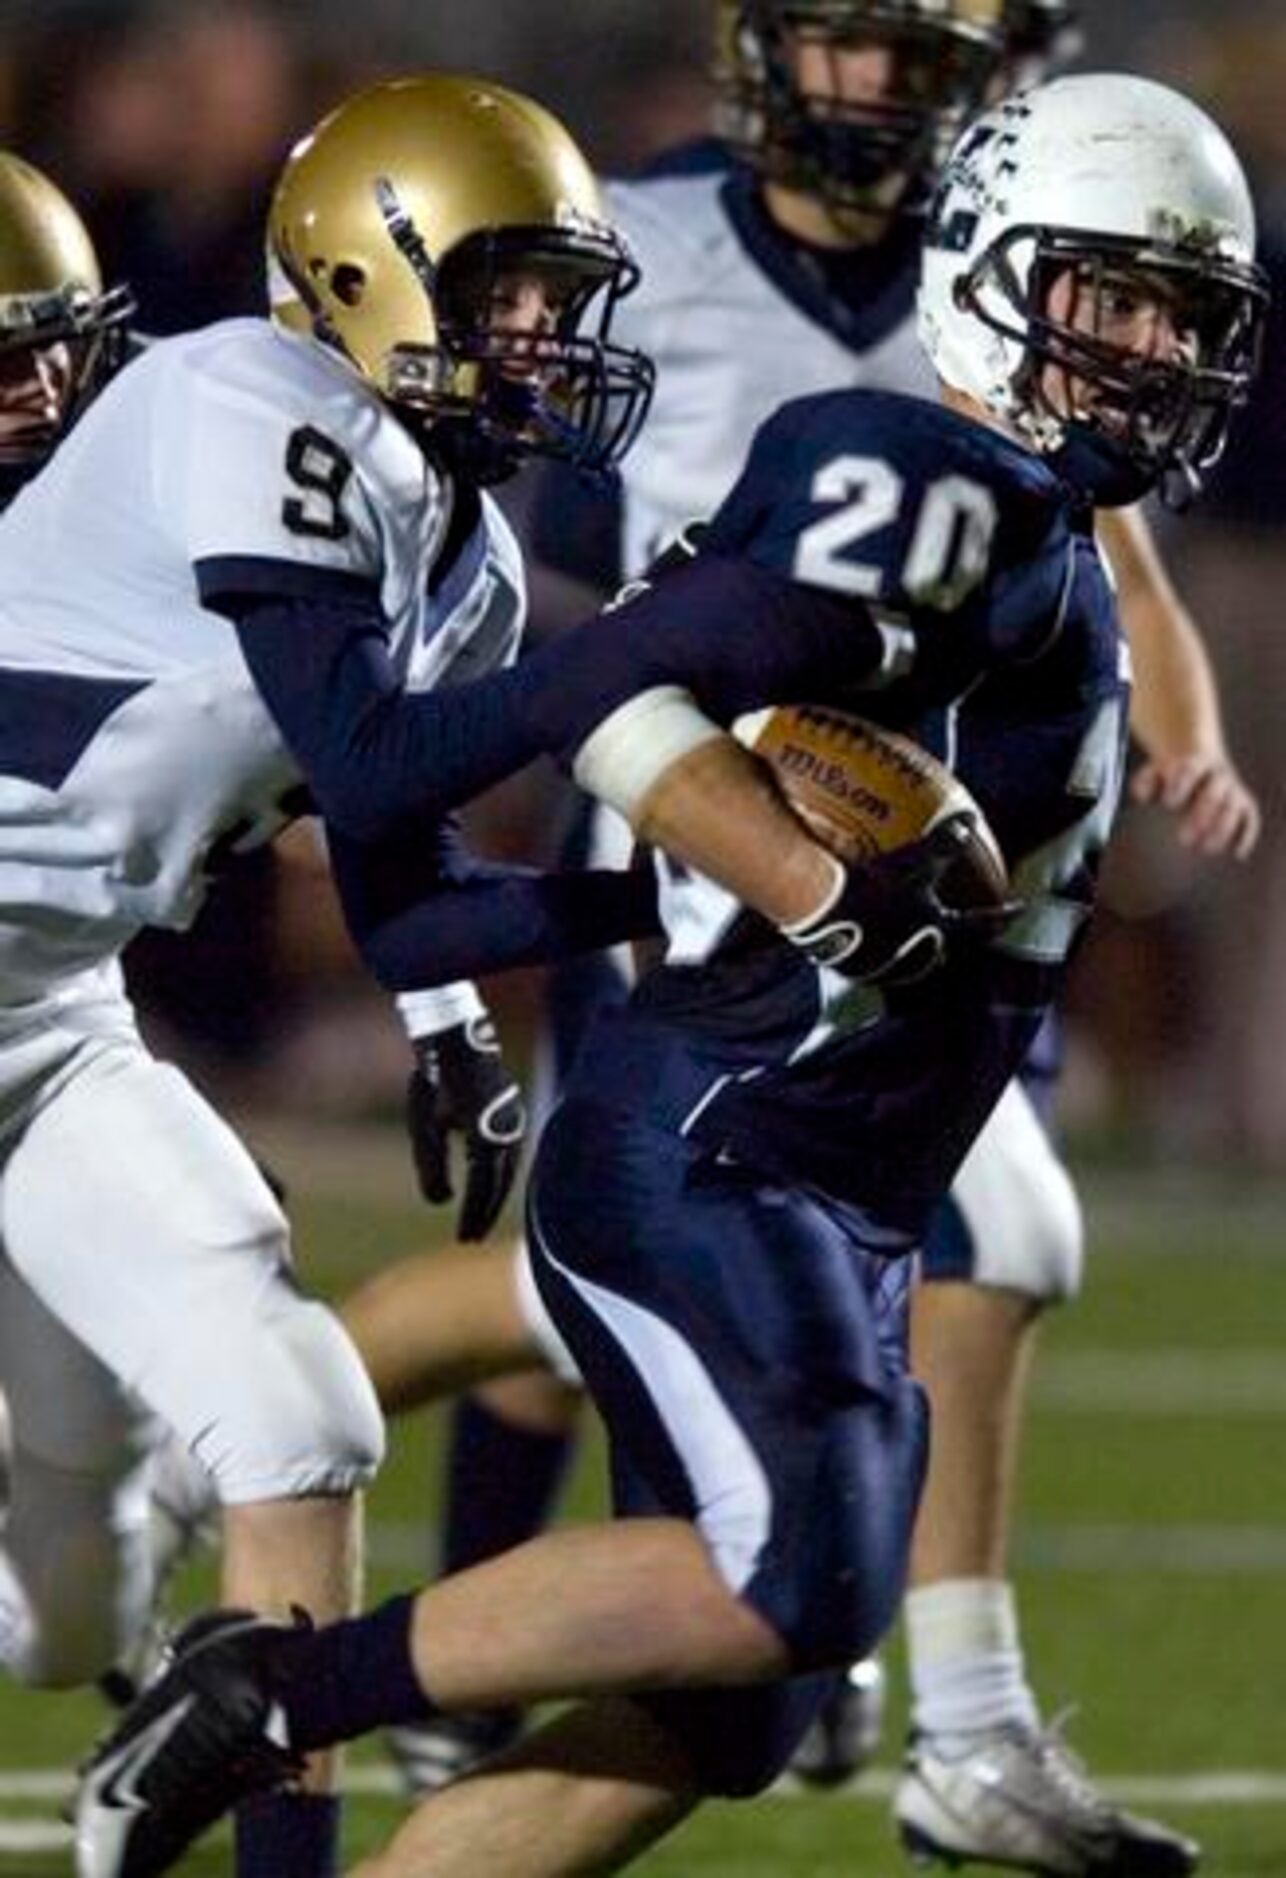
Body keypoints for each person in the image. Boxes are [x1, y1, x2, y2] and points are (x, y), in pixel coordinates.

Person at [73, 68, 1269, 1878]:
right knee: (797, 1569)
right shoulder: (925, 477)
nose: (1150, 349)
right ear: (988, 274)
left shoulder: (1035, 518)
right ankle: (276, 1691)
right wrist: (796, 866)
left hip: (841, 1174)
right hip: (729, 1139)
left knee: (738, 1704)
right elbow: (628, 682)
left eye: (1180, 314)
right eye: (1110, 298)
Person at [0, 70, 669, 1878]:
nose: (540, 336)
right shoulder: (247, 395)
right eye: (505, 287)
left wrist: (653, 908)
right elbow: (371, 761)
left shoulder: (466, 558)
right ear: (371, 275)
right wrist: (652, 658)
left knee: (260, 1449)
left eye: (559, 297)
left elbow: (408, 888)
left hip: (46, 1021)